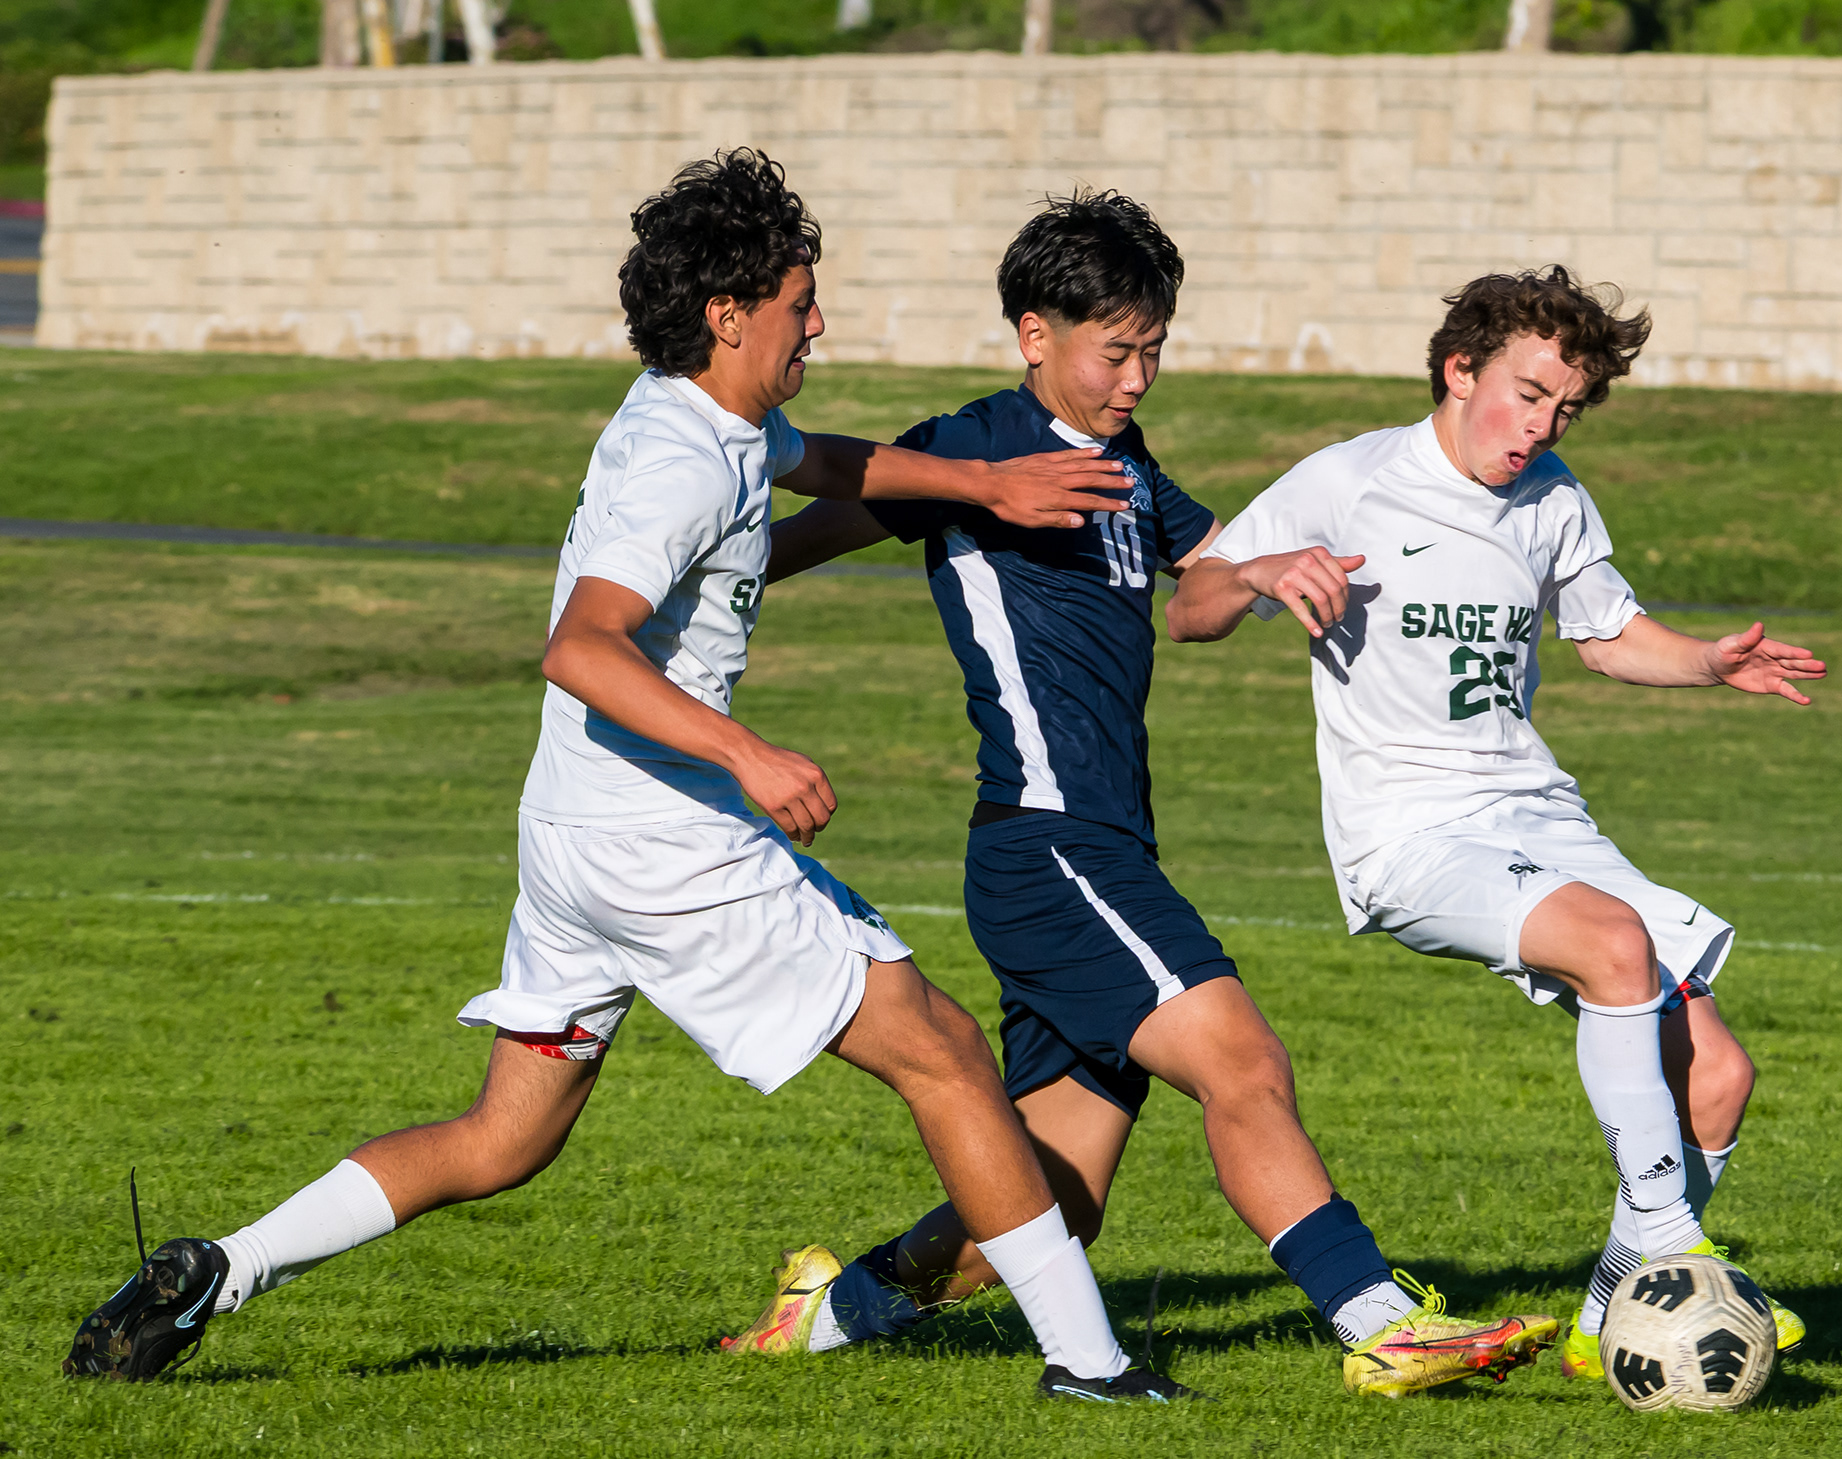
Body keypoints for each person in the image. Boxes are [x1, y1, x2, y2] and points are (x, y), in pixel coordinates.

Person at [62, 148, 1196, 1404]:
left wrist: (981, 483)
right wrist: (747, 751)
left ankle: (220, 1270)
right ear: (729, 314)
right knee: (943, 1050)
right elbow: (581, 647)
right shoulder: (682, 461)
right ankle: (1090, 1363)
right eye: (800, 301)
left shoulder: (701, 412)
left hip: (572, 834)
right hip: (664, 842)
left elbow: (825, 464)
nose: (818, 322)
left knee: (504, 1138)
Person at [735, 190, 1560, 1398]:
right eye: (1115, 352)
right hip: (1047, 844)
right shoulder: (972, 443)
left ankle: (828, 1311)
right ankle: (1384, 1324)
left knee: (1052, 1202)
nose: (1137, 379)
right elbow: (805, 528)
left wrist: (1266, 570)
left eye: (1154, 351)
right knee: (1242, 1059)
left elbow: (1203, 591)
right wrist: (686, 587)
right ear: (1035, 335)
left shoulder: (1128, 464)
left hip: (1103, 846)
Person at [1165, 265, 1818, 1379]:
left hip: (1536, 813)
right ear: (1460, 370)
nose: (1541, 426)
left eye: (1566, 408)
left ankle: (1611, 1314)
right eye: (1528, 394)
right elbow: (1190, 608)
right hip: (1409, 831)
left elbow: (1607, 635)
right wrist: (1261, 572)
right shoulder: (1352, 478)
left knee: (1715, 1077)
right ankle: (1675, 1251)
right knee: (1614, 943)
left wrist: (1708, 662)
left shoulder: (1553, 497)